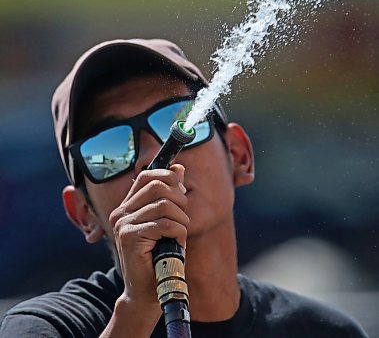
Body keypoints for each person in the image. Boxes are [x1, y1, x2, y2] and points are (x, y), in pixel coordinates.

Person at [0, 38, 368, 337]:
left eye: (176, 120)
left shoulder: (321, 330)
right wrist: (138, 309)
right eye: (108, 149)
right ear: (84, 215)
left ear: (239, 155)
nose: (151, 158)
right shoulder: (47, 328)